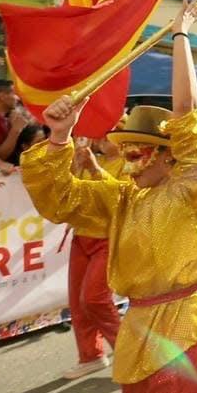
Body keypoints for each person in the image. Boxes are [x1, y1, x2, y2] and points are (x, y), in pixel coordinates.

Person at [22, 1, 197, 393]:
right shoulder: (120, 198)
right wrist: (59, 136)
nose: (129, 160)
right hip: (138, 339)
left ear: (169, 157)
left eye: (140, 152)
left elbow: (188, 114)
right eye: (127, 150)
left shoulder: (193, 189)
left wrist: (181, 35)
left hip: (187, 337)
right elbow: (58, 198)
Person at [60, 138, 122, 380]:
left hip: (108, 239)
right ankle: (90, 356)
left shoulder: (131, 164)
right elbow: (71, 193)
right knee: (78, 303)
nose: (102, 139)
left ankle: (129, 352)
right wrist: (76, 165)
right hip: (82, 236)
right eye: (101, 135)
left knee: (95, 299)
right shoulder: (92, 159)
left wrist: (96, 170)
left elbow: (121, 200)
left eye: (109, 135)